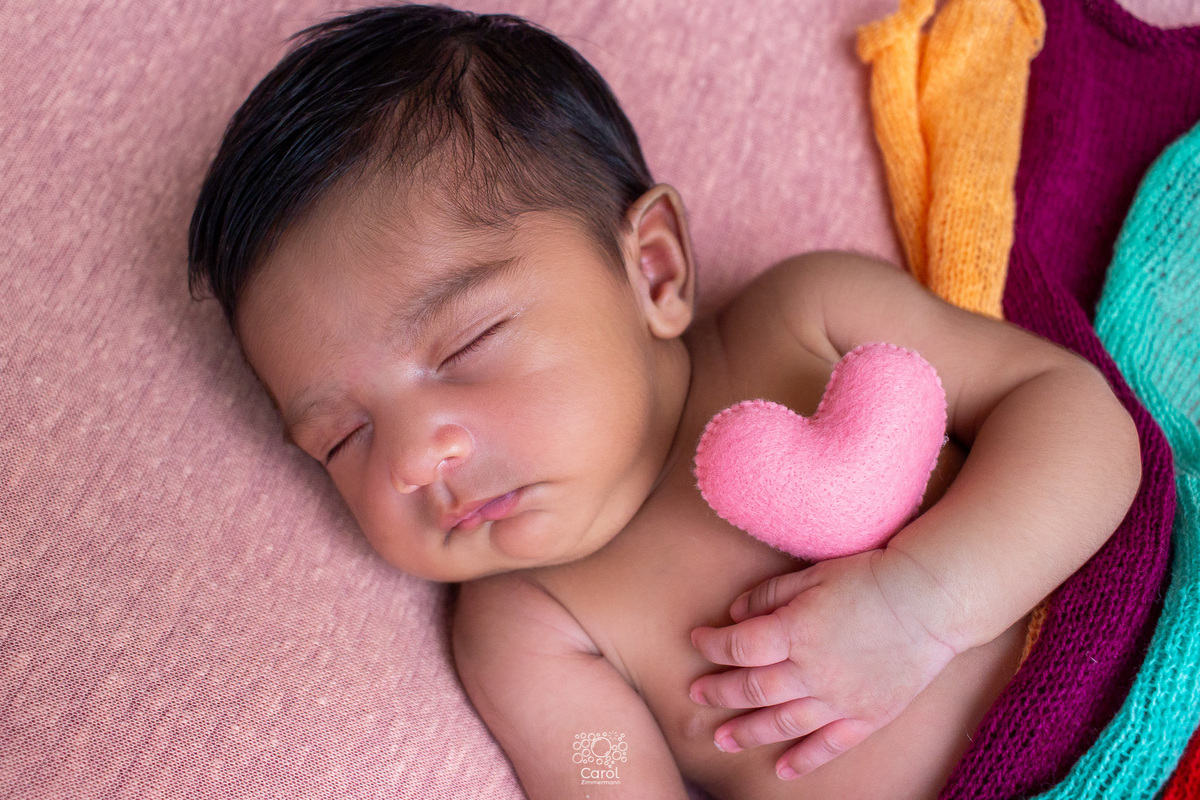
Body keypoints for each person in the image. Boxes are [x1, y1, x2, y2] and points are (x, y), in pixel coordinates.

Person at [187, 6, 1142, 799]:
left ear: (652, 269)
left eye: (465, 345)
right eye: (341, 438)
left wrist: (922, 605)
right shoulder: (528, 622)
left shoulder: (803, 317)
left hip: (1137, 687)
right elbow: (602, 770)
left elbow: (1076, 417)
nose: (407, 459)